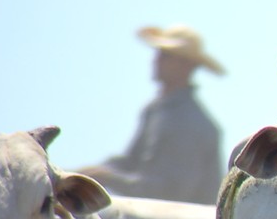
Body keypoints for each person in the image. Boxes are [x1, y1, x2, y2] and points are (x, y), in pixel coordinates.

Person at [79, 25, 225, 205]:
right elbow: (130, 162)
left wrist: (108, 178)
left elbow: (171, 195)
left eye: (166, 55)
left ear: (187, 65)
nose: (156, 60)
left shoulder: (191, 122)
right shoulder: (155, 111)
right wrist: (85, 175)